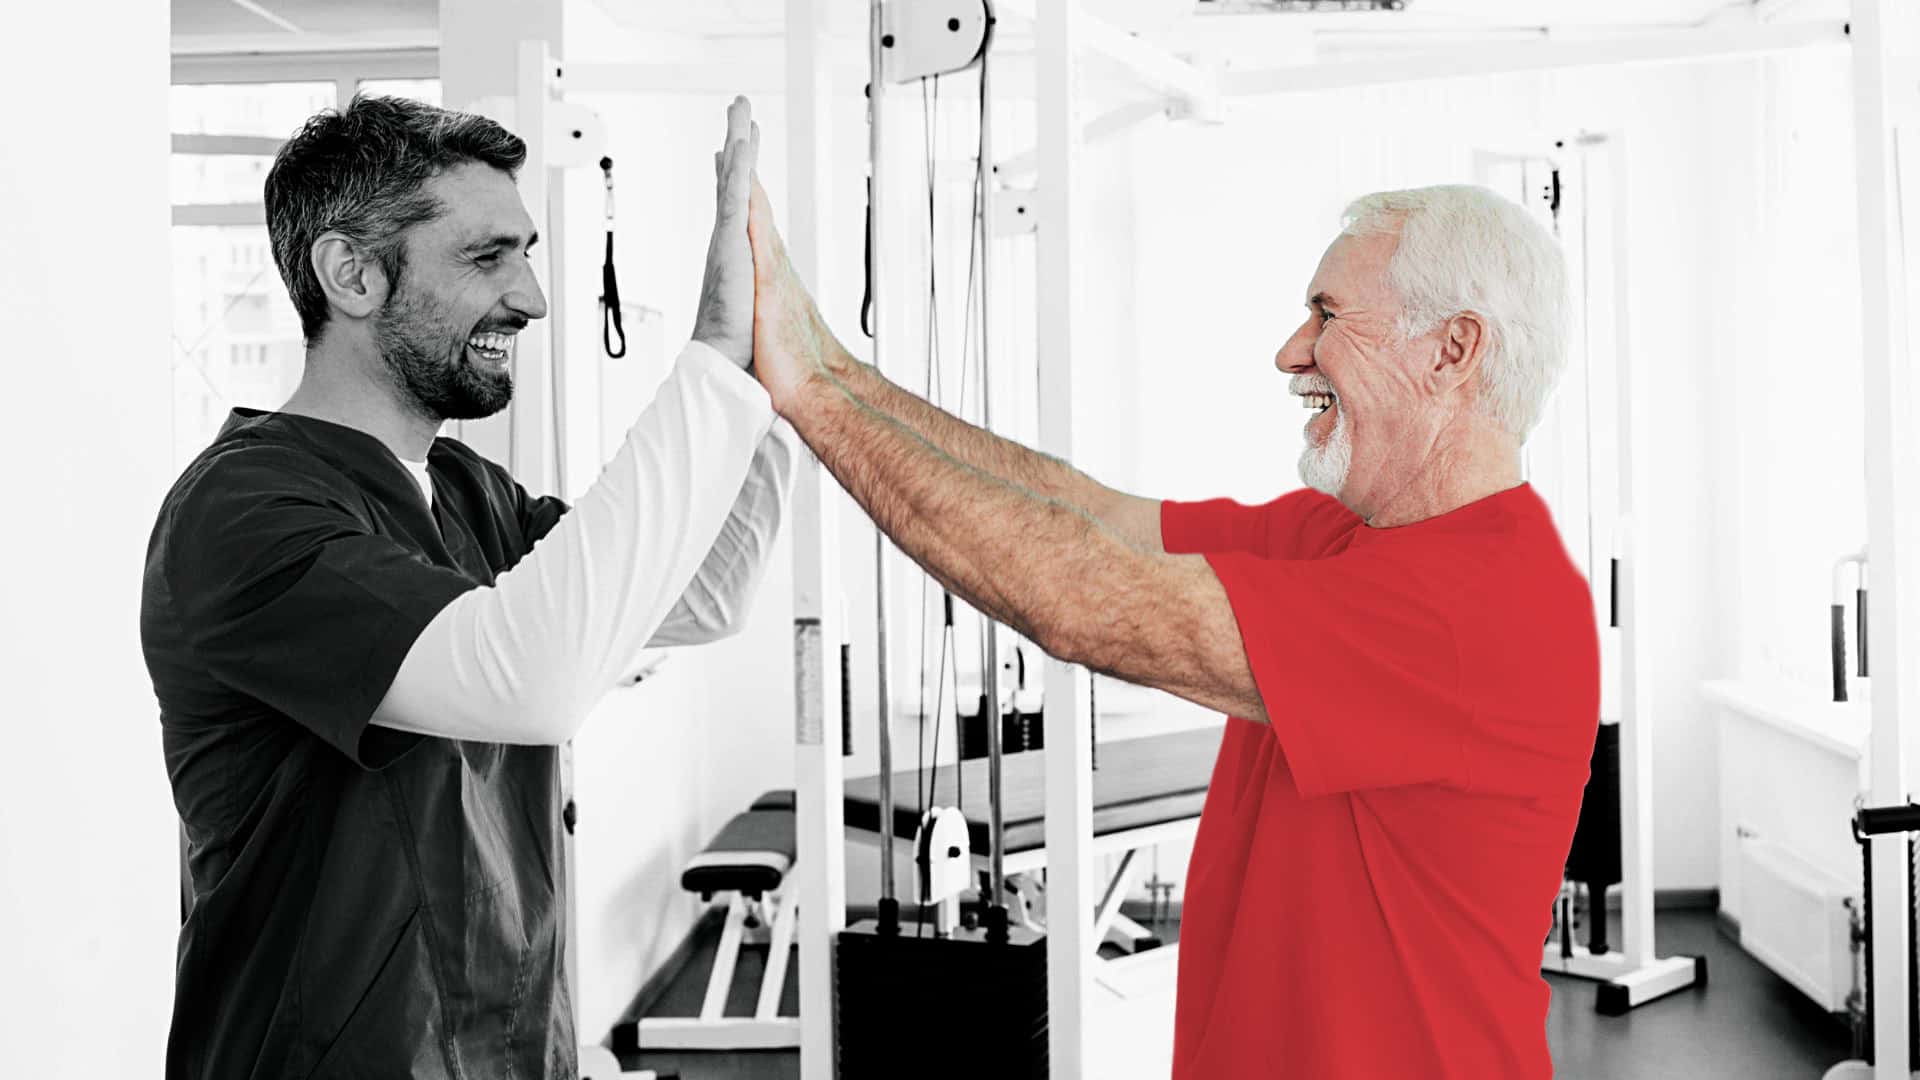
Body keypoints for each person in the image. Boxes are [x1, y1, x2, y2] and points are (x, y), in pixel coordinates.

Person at [745, 178, 1595, 1078]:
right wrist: (837, 370)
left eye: (1327, 314)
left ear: (1451, 349)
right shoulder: (1340, 536)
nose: (1290, 352)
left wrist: (810, 397)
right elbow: (1087, 512)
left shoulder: (1483, 606)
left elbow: (1079, 596)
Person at [143, 95, 789, 1079]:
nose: (531, 298)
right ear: (351, 274)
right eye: (488, 259)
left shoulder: (462, 489)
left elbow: (698, 595)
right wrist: (709, 347)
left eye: (524, 256)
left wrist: (770, 385)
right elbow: (535, 678)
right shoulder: (243, 512)